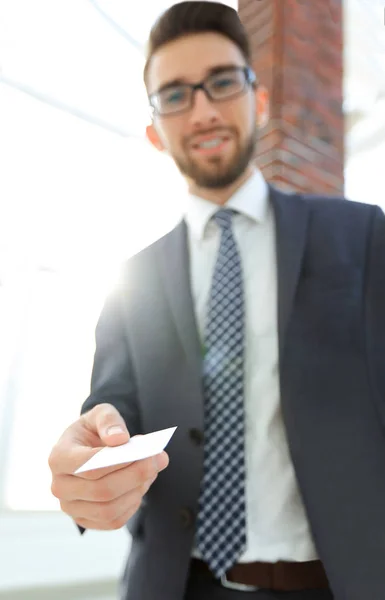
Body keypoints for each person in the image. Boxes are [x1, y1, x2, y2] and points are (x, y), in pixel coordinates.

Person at [48, 2, 385, 600]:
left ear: (257, 100)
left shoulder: (361, 235)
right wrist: (90, 471)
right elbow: (108, 413)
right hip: (180, 584)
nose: (202, 109)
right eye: (175, 95)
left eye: (222, 82)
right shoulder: (131, 280)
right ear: (155, 132)